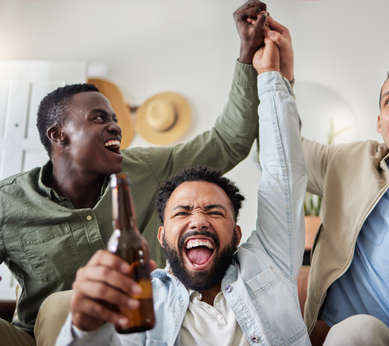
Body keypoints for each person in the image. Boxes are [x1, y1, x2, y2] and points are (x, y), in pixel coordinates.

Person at [0, 1, 268, 345]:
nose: (115, 128)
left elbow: (228, 142)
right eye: (100, 119)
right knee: (59, 307)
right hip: (44, 335)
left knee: (64, 305)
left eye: (115, 120)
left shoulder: (148, 169)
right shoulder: (8, 202)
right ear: (58, 136)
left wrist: (247, 54)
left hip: (142, 332)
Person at [55, 32, 310, 346]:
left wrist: (271, 76)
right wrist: (82, 327)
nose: (198, 220)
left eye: (214, 211)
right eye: (183, 212)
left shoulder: (269, 262)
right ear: (162, 237)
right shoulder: (140, 301)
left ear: (237, 235)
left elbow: (283, 175)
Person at [241, 10, 389, 345]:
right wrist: (282, 79)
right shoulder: (347, 162)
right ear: (381, 123)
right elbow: (270, 149)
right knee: (361, 331)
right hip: (353, 338)